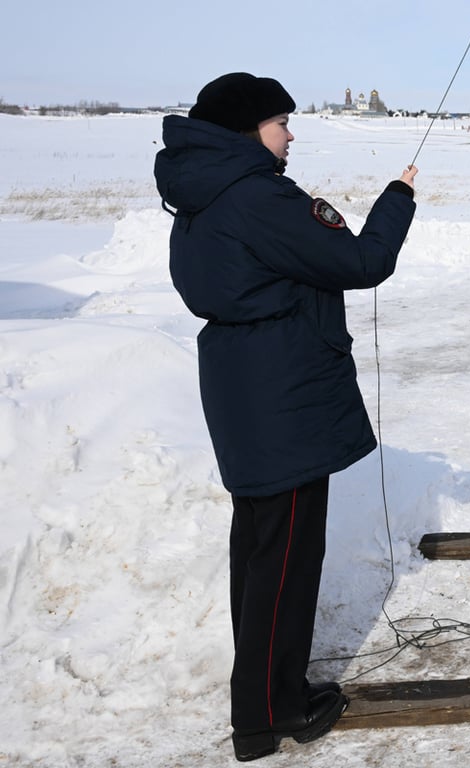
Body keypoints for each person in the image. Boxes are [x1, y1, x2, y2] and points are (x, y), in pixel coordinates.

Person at [154, 72, 418, 760]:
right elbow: (361, 260)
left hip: (245, 386)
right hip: (282, 395)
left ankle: (262, 699)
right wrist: (398, 198)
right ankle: (272, 711)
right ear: (249, 131)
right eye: (280, 123)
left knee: (261, 551)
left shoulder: (203, 193)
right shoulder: (257, 196)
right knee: (287, 560)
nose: (291, 135)